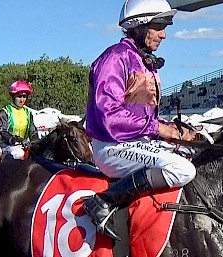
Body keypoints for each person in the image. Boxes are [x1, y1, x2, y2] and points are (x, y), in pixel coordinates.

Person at [83, 0, 196, 240]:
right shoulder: (115, 58)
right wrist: (160, 129)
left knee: (196, 155)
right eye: (159, 27)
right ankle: (103, 201)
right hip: (112, 147)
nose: (164, 35)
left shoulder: (144, 61)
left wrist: (174, 130)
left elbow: (142, 116)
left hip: (138, 144)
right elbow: (109, 116)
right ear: (139, 26)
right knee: (182, 169)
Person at [0, 80, 37, 160]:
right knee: (18, 153)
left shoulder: (28, 113)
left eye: (24, 97)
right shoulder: (5, 111)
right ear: (13, 96)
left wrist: (37, 143)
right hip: (7, 146)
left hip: (24, 146)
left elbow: (33, 132)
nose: (22, 100)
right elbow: (2, 132)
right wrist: (15, 139)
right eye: (19, 96)